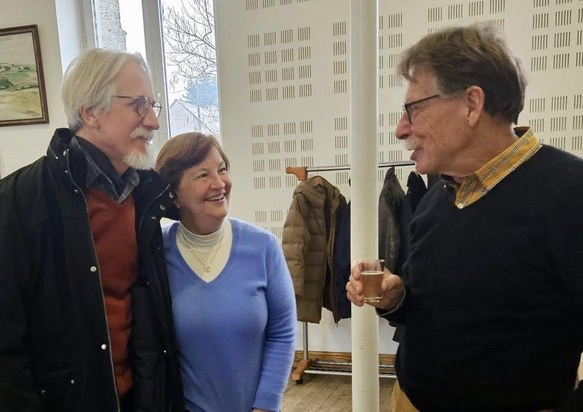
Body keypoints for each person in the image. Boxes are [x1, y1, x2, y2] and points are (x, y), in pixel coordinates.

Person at [346, 23, 583, 411]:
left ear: (472, 104)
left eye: (413, 109)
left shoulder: (571, 193)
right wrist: (397, 296)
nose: (401, 129)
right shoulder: (437, 197)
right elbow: (438, 311)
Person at [0, 49, 185, 412]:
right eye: (139, 104)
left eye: (153, 104)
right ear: (90, 112)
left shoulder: (147, 196)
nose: (154, 121)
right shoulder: (15, 202)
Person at [155, 132, 296, 412]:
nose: (220, 183)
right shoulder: (156, 253)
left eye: (222, 169)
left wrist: (266, 404)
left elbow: (282, 332)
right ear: (174, 194)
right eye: (203, 175)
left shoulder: (262, 247)